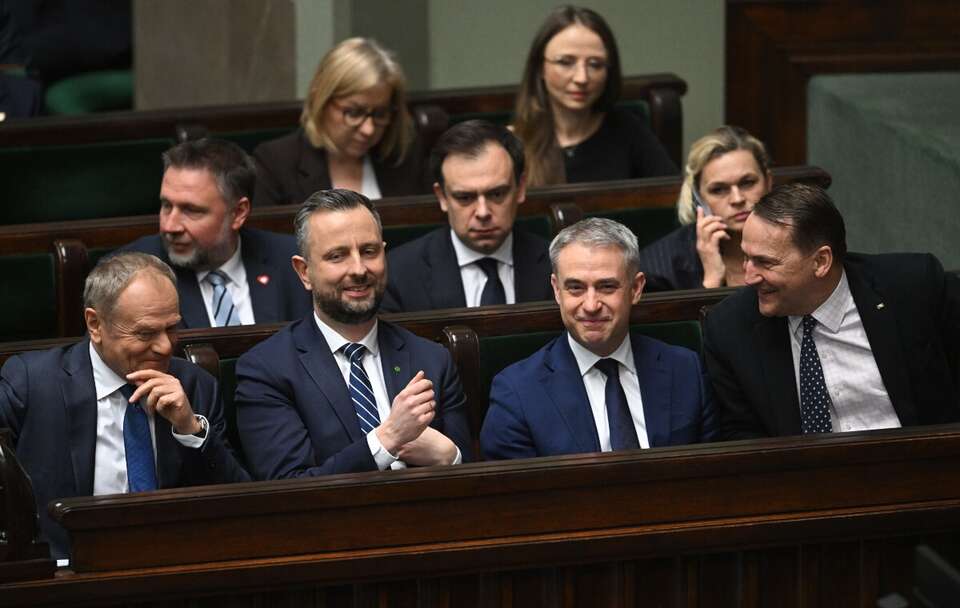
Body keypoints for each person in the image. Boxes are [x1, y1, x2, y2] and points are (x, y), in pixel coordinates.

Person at [0, 252, 250, 559]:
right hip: (61, 575)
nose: (165, 346)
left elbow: (235, 503)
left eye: (171, 328)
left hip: (171, 572)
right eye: (145, 333)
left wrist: (189, 429)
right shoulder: (33, 383)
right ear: (95, 324)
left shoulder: (196, 386)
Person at [235, 189, 472, 480]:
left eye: (369, 251)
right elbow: (288, 488)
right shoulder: (267, 370)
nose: (359, 269)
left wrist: (452, 458)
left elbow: (471, 474)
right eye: (338, 256)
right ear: (304, 272)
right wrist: (386, 440)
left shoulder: (433, 359)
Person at [703, 183, 960, 440]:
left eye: (765, 262)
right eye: (746, 257)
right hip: (804, 478)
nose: (748, 277)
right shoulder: (730, 329)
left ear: (820, 262)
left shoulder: (913, 288)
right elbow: (744, 442)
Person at [480, 217, 717, 460]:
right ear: (556, 290)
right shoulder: (517, 392)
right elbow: (516, 495)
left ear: (636, 288)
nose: (591, 305)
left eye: (606, 287)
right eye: (575, 287)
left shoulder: (686, 371)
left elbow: (714, 474)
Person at [123, 138, 312, 328]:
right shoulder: (131, 274)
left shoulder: (294, 262)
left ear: (238, 212)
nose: (170, 227)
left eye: (191, 210)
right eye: (166, 205)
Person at [381, 120, 553, 312]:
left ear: (520, 188)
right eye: (464, 197)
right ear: (442, 197)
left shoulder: (555, 265)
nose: (483, 212)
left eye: (497, 194)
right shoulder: (398, 274)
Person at [512, 5, 676, 187]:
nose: (582, 78)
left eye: (595, 65)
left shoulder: (629, 130)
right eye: (566, 62)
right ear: (540, 68)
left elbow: (675, 199)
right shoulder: (514, 143)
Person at [253, 38, 427, 205]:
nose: (369, 129)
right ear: (321, 101)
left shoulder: (406, 157)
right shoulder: (276, 163)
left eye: (380, 113)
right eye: (354, 112)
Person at [639, 126, 773, 291]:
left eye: (747, 183)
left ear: (768, 182)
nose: (737, 199)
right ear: (697, 197)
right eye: (718, 189)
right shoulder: (658, 269)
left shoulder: (798, 242)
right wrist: (711, 280)